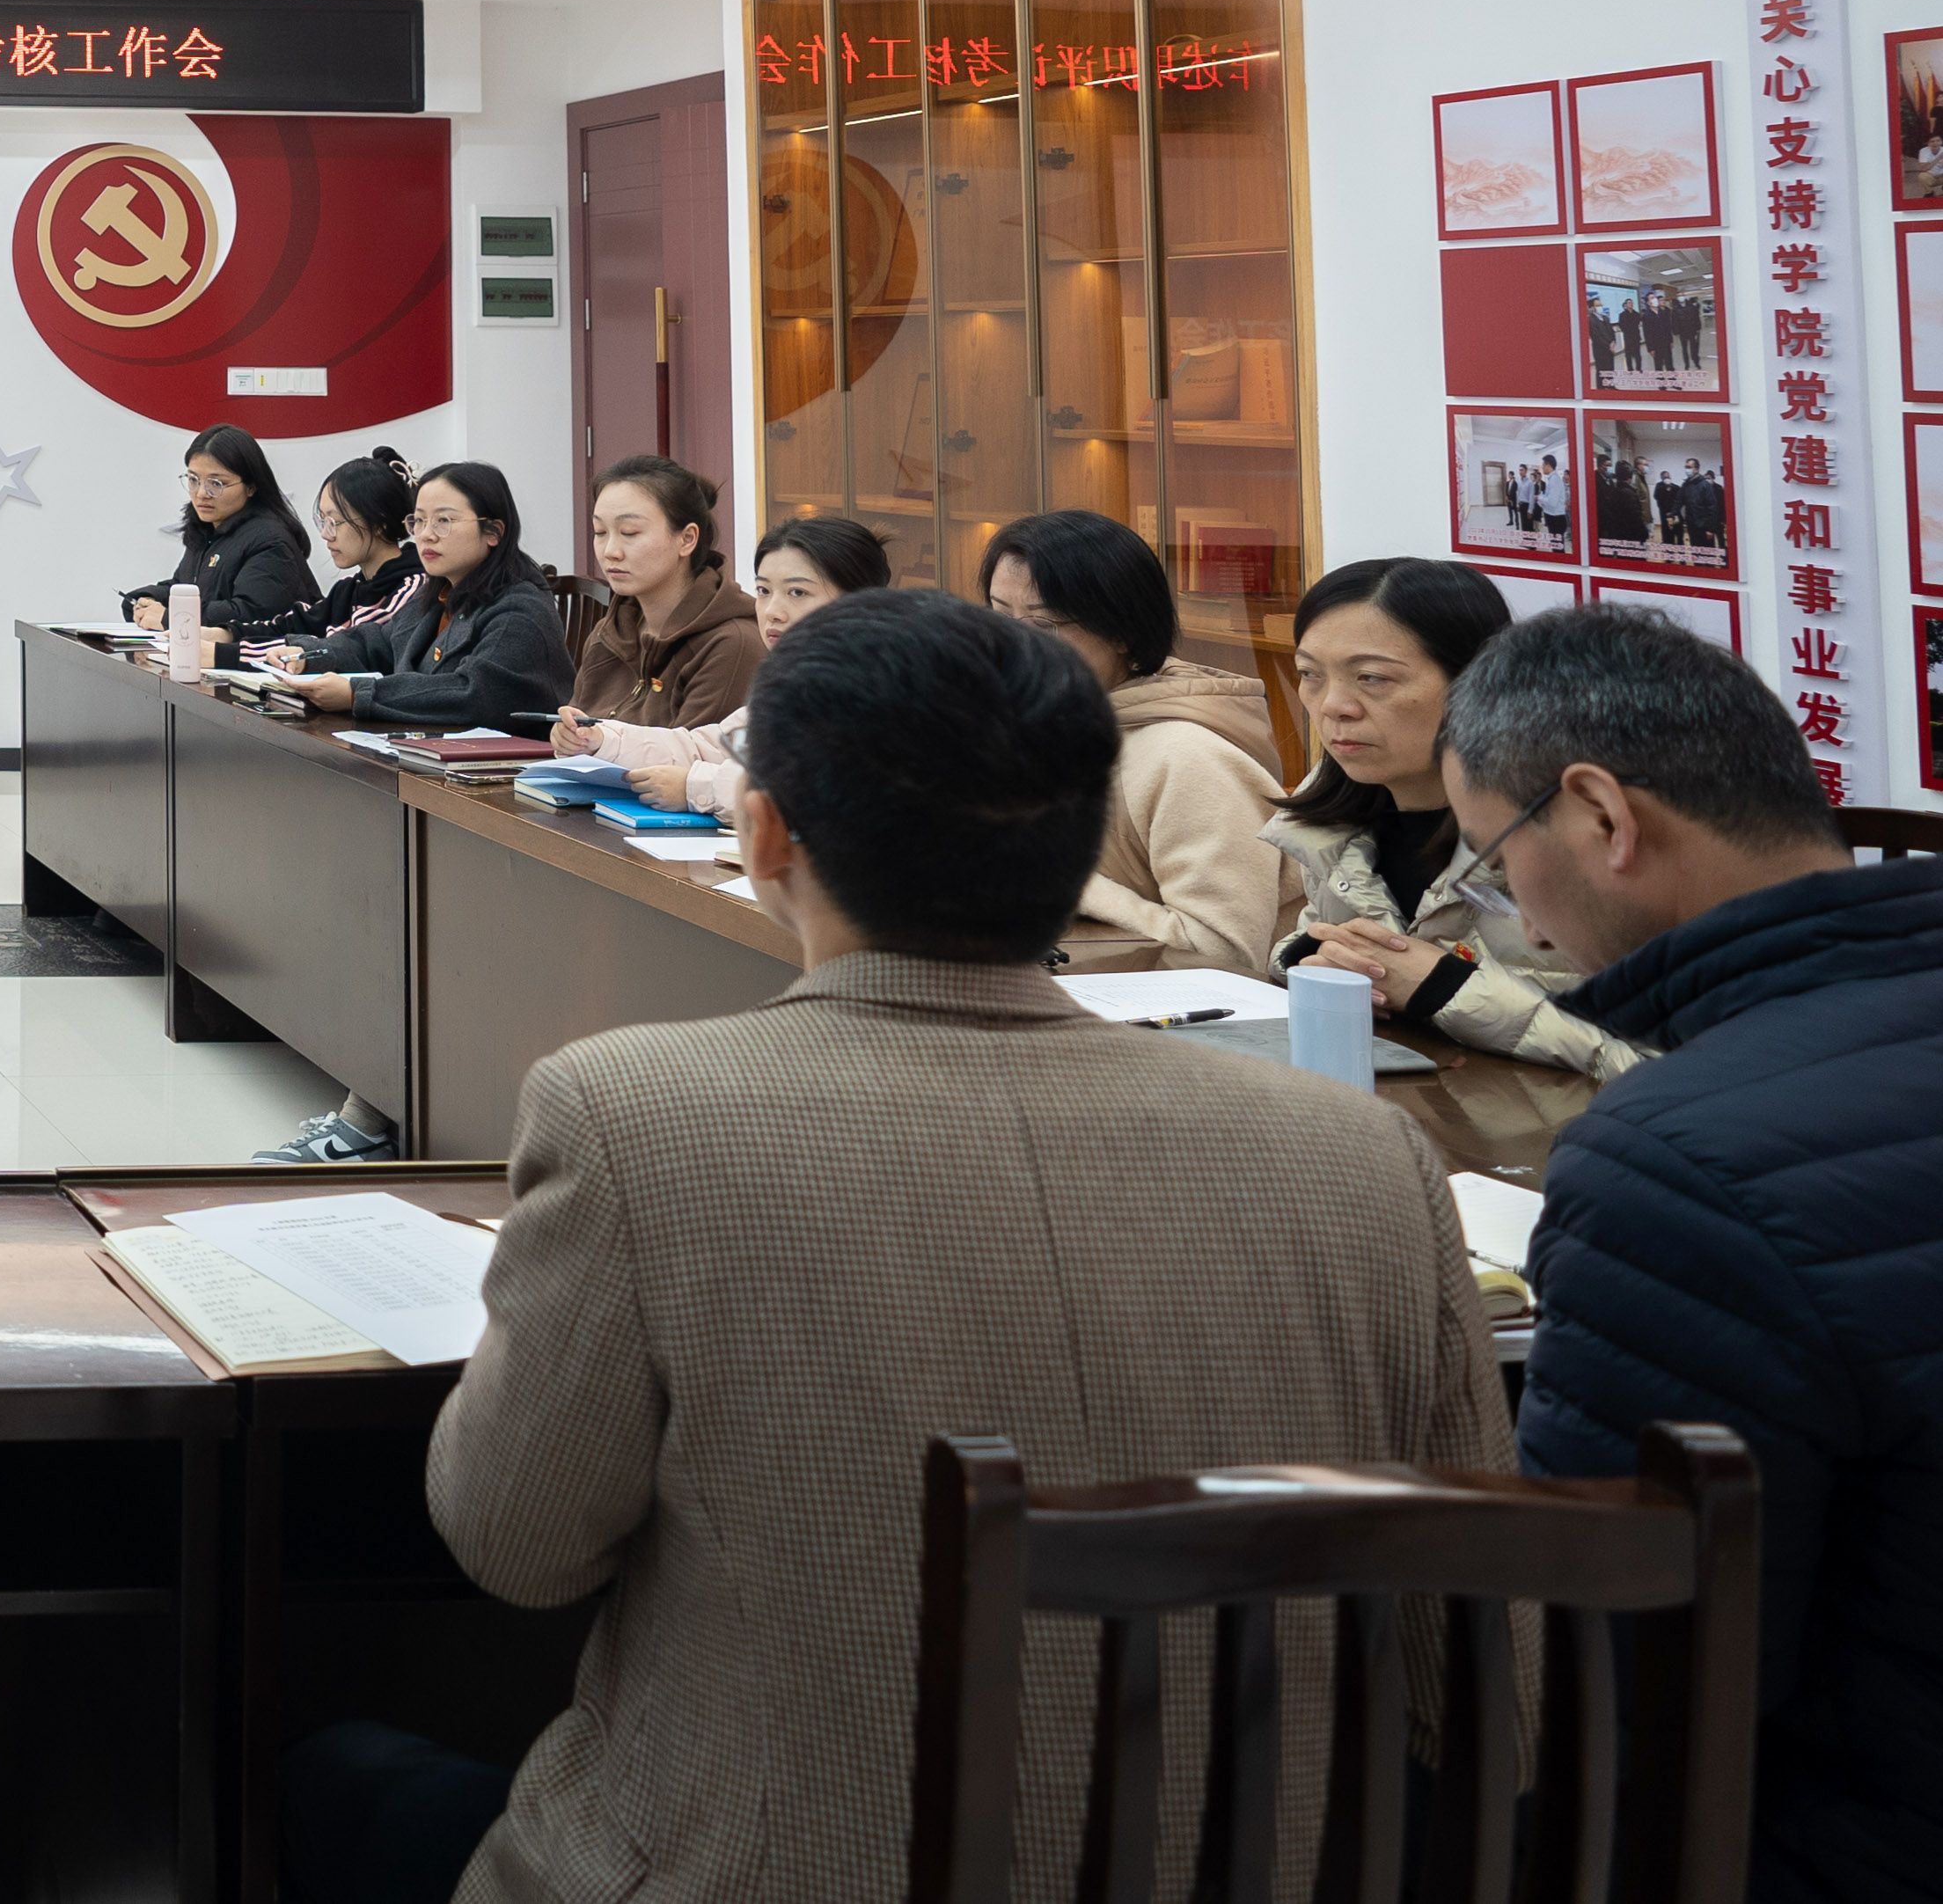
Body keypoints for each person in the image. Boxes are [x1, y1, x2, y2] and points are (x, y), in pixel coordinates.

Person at [281, 589, 1509, 1904]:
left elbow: (519, 1548)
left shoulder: (635, 1114)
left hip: (758, 1867)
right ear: (1079, 841)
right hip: (1256, 1862)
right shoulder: (1361, 1155)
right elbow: (1486, 1663)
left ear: (763, 832)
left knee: (333, 1777)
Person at [1460, 606, 1939, 1901]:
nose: (1528, 928)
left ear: (1600, 815)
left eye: (1497, 864)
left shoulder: (1674, 1162)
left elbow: (1632, 1691)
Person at [1271, 557, 1634, 1077]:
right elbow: (1320, 938)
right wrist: (1312, 958)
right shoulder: (1335, 810)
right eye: (1310, 674)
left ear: (1475, 682)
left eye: (1372, 678)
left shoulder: (1578, 833)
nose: (1333, 706)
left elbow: (1656, 1064)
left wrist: (1447, 989)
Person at [974, 509, 1300, 975]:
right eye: (999, 615)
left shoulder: (1187, 757)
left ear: (1122, 631)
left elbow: (1224, 955)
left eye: (1043, 626)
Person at [551, 509, 889, 809]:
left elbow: (810, 791)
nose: (772, 611)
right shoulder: (795, 685)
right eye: (764, 591)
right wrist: (602, 739)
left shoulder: (878, 690)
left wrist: (695, 787)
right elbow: (709, 747)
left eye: (797, 593)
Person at [265, 463, 570, 732]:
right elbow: (378, 643)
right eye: (420, 521)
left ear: (493, 532)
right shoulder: (438, 593)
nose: (426, 534)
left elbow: (472, 694)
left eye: (444, 521)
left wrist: (358, 694)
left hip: (505, 770)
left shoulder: (519, 610)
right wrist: (309, 655)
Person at [555, 454, 759, 734]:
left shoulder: (732, 644)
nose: (610, 551)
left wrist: (600, 743)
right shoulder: (610, 633)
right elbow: (579, 731)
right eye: (600, 532)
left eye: (630, 532)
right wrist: (567, 737)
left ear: (687, 538)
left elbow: (694, 756)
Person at [122, 422, 314, 641]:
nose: (201, 493)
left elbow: (251, 615)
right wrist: (147, 599)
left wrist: (171, 618)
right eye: (193, 480)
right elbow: (185, 588)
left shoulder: (269, 540)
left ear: (251, 486)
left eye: (216, 483)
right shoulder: (206, 529)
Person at [282, 449, 426, 642]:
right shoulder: (347, 591)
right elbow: (293, 625)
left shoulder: (412, 590)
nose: (326, 534)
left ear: (379, 523)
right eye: (323, 521)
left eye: (335, 522)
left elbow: (345, 645)